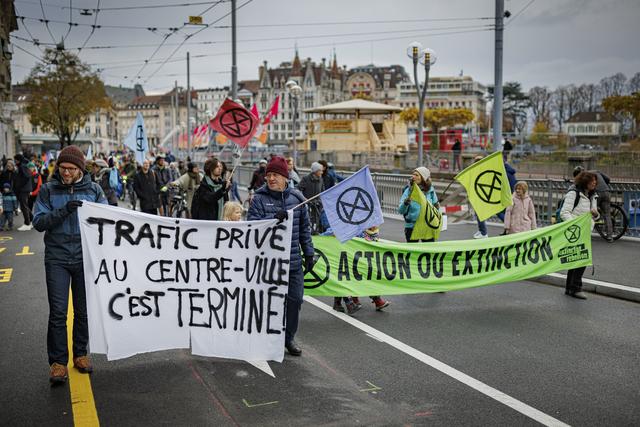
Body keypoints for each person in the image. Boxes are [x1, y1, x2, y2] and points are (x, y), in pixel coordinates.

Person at [32, 145, 107, 385]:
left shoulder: (94, 190)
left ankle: (81, 354)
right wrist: (64, 211)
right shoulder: (47, 190)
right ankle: (57, 363)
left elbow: (109, 218)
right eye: (63, 168)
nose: (66, 173)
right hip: (57, 258)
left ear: (80, 169)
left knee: (83, 311)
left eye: (71, 169)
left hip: (85, 258)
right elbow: (39, 222)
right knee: (58, 313)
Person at [247, 156, 314, 356]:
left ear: (285, 177)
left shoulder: (297, 198)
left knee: (295, 300)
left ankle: (288, 338)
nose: (271, 179)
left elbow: (305, 229)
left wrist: (308, 253)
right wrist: (273, 219)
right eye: (268, 175)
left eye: (275, 175)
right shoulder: (259, 199)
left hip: (292, 262)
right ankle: (268, 337)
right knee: (269, 302)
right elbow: (252, 227)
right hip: (268, 263)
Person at [560, 171, 599, 300]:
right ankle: (576, 287)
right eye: (592, 180)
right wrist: (577, 227)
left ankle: (570, 287)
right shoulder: (574, 193)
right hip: (576, 233)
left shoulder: (593, 195)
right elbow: (564, 212)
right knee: (581, 258)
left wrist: (595, 214)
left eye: (595, 180)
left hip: (585, 231)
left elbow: (594, 215)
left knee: (576, 258)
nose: (594, 183)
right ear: (585, 181)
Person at [398, 166, 439, 242]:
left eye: (416, 175)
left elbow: (436, 209)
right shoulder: (408, 190)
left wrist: (437, 211)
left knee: (428, 252)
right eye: (413, 174)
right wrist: (405, 203)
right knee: (412, 253)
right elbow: (400, 210)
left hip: (427, 226)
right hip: (411, 226)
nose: (413, 177)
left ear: (423, 178)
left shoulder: (431, 191)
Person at [574, 166, 613, 242]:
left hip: (596, 193)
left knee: (590, 212)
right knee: (607, 215)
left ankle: (586, 233)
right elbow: (608, 180)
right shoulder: (596, 171)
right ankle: (609, 236)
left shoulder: (586, 176)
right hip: (606, 191)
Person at [13, 154, 34, 231]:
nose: (14, 161)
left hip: (23, 189)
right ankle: (32, 221)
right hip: (25, 189)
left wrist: (19, 185)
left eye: (15, 159)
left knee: (23, 206)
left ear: (18, 160)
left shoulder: (22, 166)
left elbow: (26, 177)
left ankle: (27, 223)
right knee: (25, 206)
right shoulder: (23, 165)